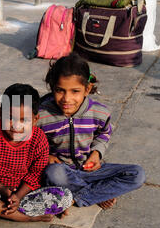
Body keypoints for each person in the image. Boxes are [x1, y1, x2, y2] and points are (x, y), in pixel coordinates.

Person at [39, 52, 146, 212]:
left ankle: (81, 195)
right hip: (62, 170)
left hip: (90, 169)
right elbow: (30, 142)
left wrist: (96, 153)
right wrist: (45, 156)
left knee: (137, 174)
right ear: (52, 87)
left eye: (75, 91)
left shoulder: (100, 112)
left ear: (87, 89)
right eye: (60, 90)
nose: (66, 99)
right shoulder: (41, 115)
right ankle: (97, 193)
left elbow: (103, 135)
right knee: (53, 173)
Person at [0, 83, 73, 222]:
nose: (16, 125)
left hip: (24, 193)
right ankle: (24, 217)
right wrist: (3, 190)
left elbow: (36, 173)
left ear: (35, 119)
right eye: (10, 118)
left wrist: (18, 196)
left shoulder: (39, 139)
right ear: (0, 112)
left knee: (65, 196)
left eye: (24, 120)